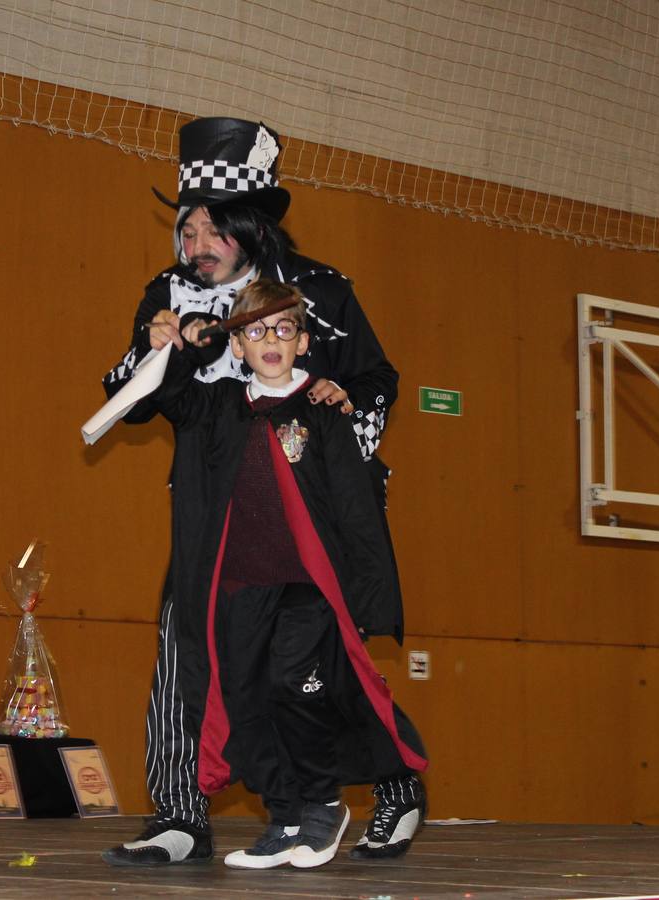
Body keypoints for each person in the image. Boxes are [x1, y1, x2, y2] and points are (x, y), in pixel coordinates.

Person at [99, 116, 427, 867]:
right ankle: (181, 814)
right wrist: (153, 351)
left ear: (247, 227)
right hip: (212, 507)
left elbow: (378, 381)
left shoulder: (318, 292)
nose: (195, 248)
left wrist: (334, 440)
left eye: (211, 232)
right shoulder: (168, 294)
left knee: (316, 662)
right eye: (186, 233)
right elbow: (130, 399)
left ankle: (397, 783)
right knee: (191, 646)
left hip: (310, 505)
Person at [145, 279, 428, 869]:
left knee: (294, 684)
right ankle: (287, 817)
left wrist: (365, 594)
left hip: (307, 586)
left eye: (283, 329)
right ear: (238, 346)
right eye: (254, 331)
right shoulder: (222, 403)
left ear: (303, 343)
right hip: (241, 586)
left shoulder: (323, 408)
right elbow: (170, 397)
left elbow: (353, 505)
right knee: (245, 700)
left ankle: (325, 805)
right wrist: (185, 345)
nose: (270, 340)